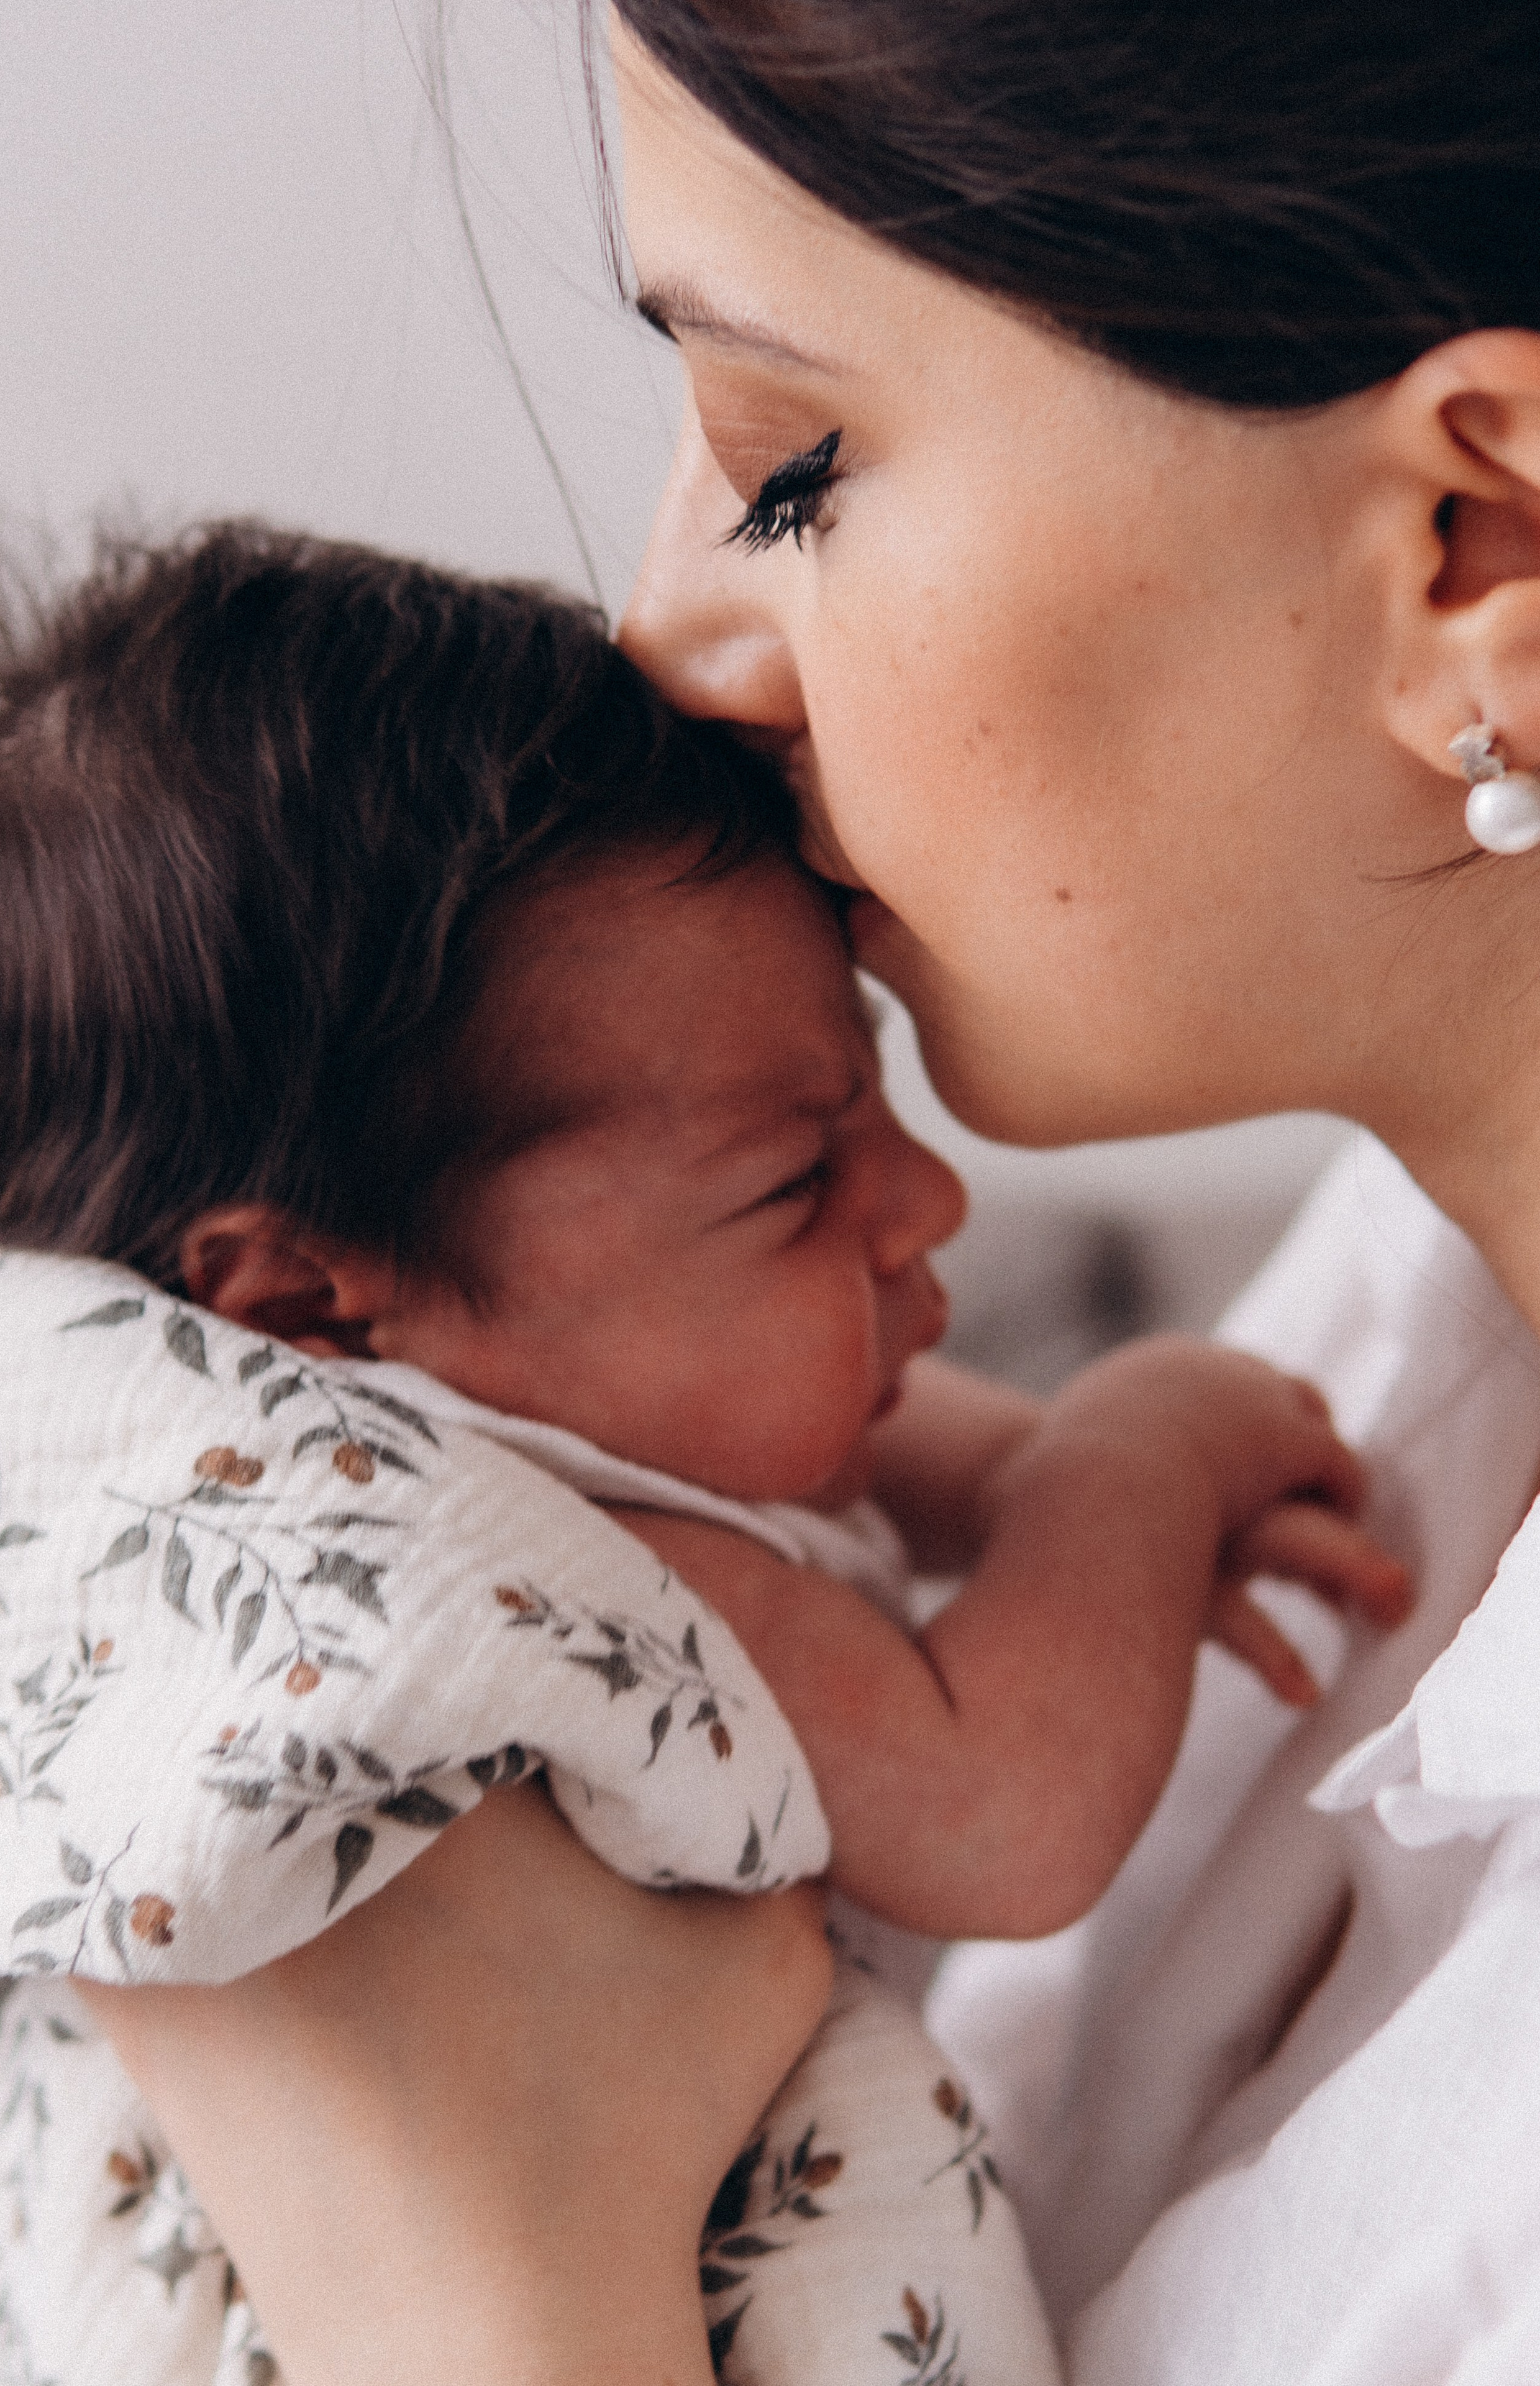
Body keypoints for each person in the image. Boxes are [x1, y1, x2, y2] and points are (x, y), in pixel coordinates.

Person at [75, 1, 1540, 2381]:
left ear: (1480, 541)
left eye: (785, 461)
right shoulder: (1437, 1267)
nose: (666, 631)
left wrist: (473, 2300)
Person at [0, 521, 1406, 2385]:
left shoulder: (462, 1406)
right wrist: (1136, 1449)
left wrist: (1019, 1464)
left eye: (867, 1089)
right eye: (799, 1178)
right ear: (304, 1304)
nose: (932, 1198)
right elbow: (1005, 1810)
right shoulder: (510, 1587)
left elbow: (863, 1454)